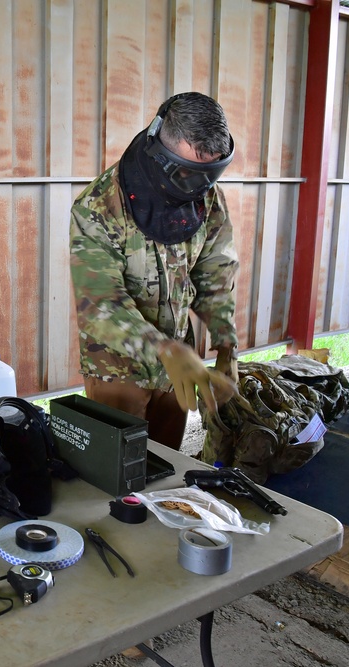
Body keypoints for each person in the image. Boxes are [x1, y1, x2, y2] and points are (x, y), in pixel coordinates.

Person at [69, 92, 238, 449]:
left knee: (165, 470)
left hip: (178, 368)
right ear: (163, 152)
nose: (200, 186)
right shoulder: (99, 206)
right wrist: (164, 351)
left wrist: (226, 345)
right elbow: (100, 304)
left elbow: (215, 274)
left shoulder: (208, 197)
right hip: (118, 370)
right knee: (115, 482)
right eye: (190, 171)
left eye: (210, 172)